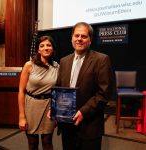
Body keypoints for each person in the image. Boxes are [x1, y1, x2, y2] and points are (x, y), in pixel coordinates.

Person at [56, 22, 115, 150]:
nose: (79, 39)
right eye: (76, 35)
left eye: (84, 36)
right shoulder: (64, 61)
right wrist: (55, 106)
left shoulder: (101, 60)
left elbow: (104, 93)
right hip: (67, 125)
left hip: (89, 126)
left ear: (90, 39)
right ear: (72, 38)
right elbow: (60, 89)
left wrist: (83, 112)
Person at [18, 35, 59, 150]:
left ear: (53, 49)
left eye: (49, 45)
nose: (46, 48)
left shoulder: (57, 67)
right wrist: (21, 116)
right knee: (32, 142)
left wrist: (57, 111)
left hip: (49, 108)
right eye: (42, 46)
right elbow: (21, 91)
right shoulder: (29, 65)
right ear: (38, 50)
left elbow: (58, 92)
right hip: (31, 107)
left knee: (47, 142)